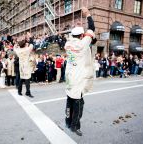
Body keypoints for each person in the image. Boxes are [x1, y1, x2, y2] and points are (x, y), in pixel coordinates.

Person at [64, 7, 96, 136]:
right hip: (78, 79)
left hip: (69, 78)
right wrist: (87, 14)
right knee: (78, 105)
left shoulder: (68, 43)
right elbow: (92, 28)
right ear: (82, 36)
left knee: (69, 102)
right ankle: (74, 126)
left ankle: (67, 121)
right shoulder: (82, 44)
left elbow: (89, 37)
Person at [14, 33, 34, 98]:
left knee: (21, 79)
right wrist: (30, 37)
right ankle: (28, 92)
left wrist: (18, 43)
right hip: (26, 66)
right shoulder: (27, 49)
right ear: (25, 44)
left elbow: (14, 47)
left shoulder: (18, 50)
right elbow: (31, 44)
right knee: (27, 80)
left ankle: (19, 91)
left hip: (21, 67)